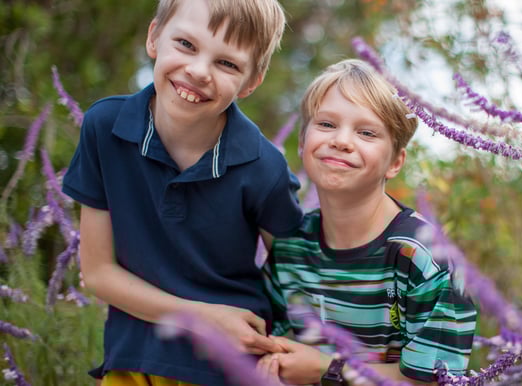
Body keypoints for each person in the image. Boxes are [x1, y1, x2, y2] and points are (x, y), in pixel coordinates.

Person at [62, 0, 303, 384]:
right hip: (133, 361)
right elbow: (98, 273)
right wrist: (205, 318)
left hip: (232, 368)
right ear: (154, 37)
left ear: (252, 81)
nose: (198, 71)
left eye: (227, 63)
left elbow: (299, 283)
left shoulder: (264, 168)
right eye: (187, 45)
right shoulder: (103, 128)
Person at [261, 59, 477, 385]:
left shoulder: (424, 257)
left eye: (366, 132)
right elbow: (264, 341)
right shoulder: (292, 246)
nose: (342, 141)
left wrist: (329, 368)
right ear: (303, 141)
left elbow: (436, 381)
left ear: (395, 162)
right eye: (327, 124)